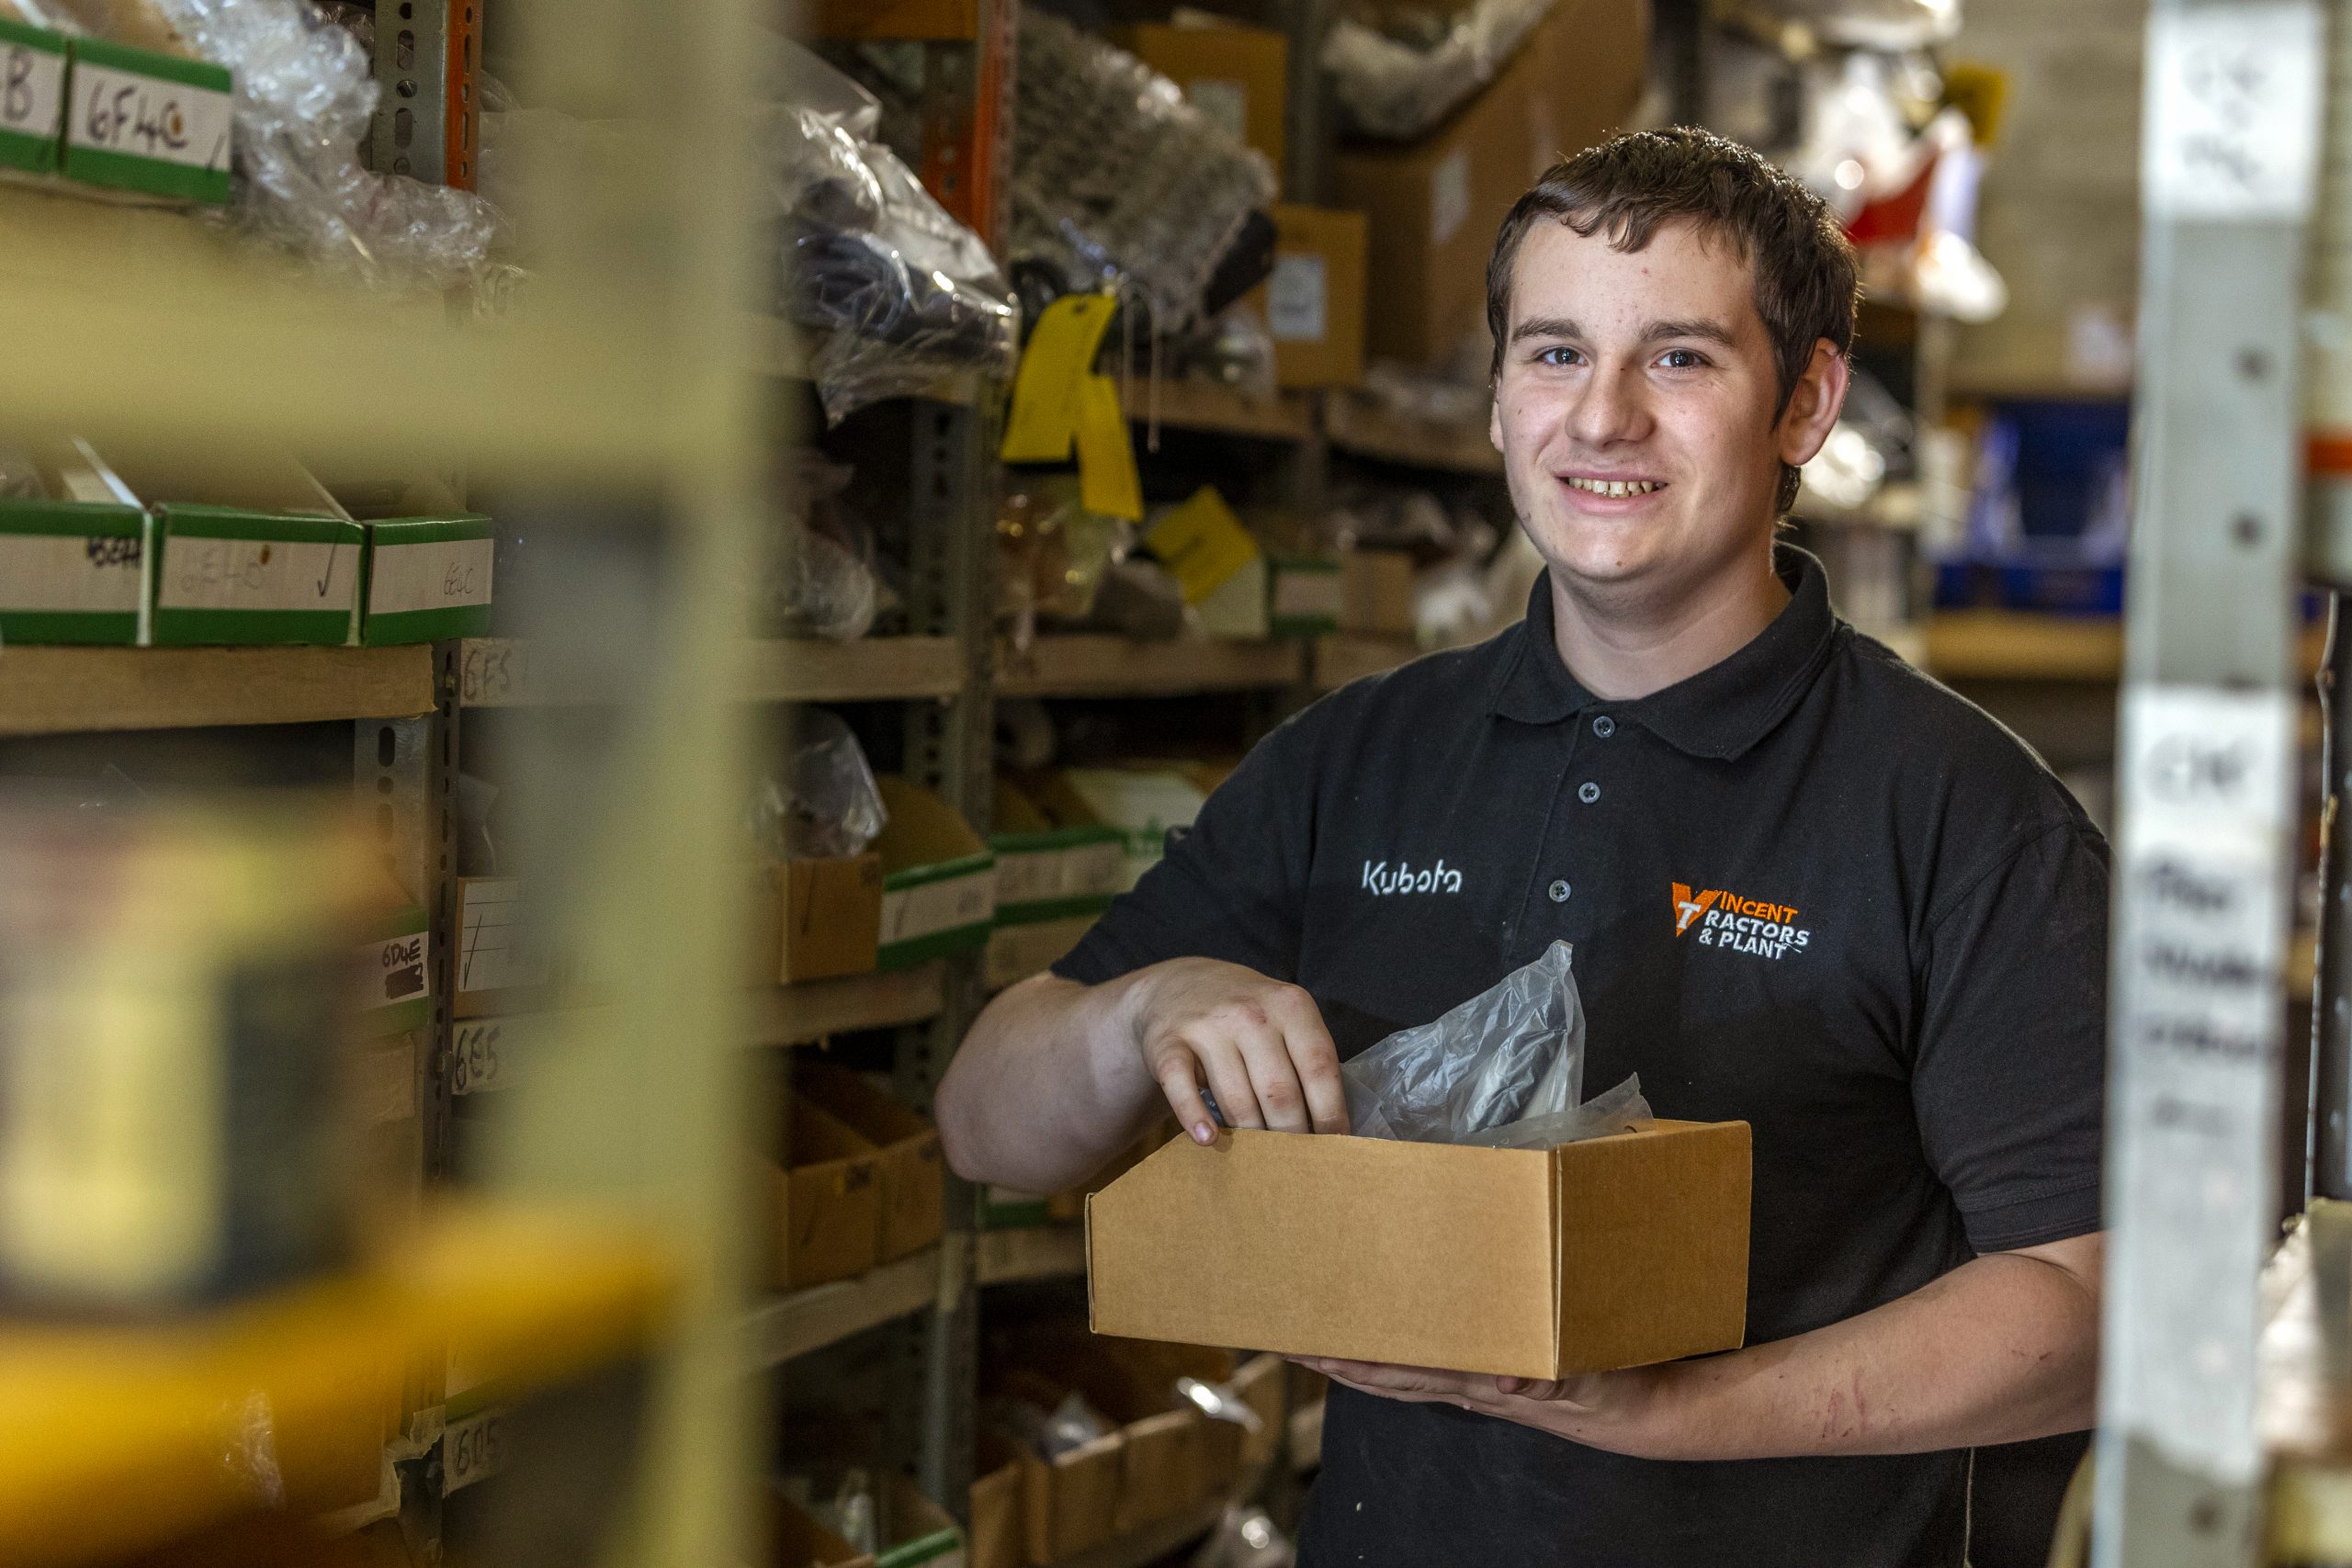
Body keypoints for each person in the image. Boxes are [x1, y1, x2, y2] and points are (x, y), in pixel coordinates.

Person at [934, 127, 2105, 1568]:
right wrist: (1138, 1014)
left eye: (1678, 360)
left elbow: (2087, 1309)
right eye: (1553, 354)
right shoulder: (1357, 761)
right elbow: (983, 1125)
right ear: (1496, 402)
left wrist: (1669, 1409)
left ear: (1804, 406)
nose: (1600, 417)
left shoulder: (1958, 809)